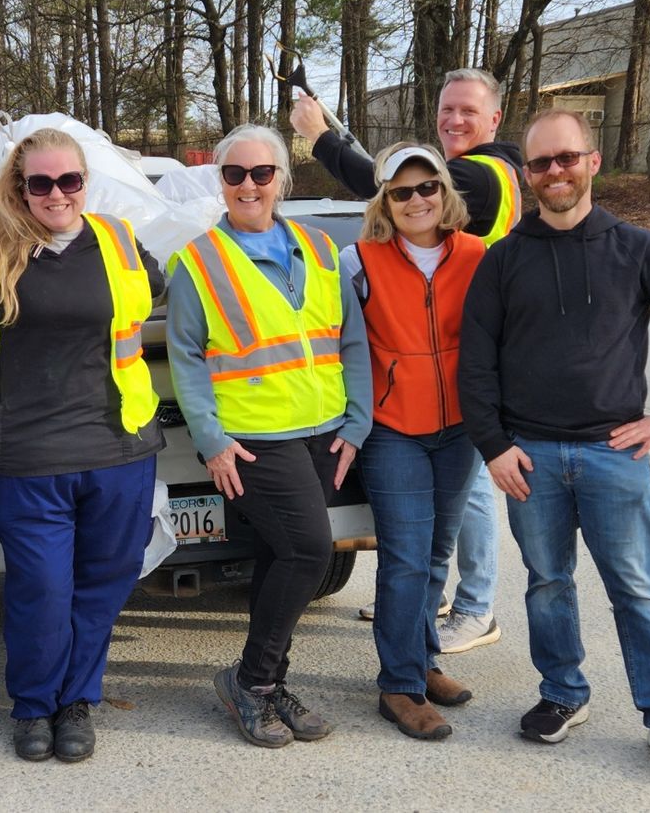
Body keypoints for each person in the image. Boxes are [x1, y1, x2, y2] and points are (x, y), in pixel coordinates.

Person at [459, 109, 650, 780]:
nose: (555, 173)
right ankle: (563, 694)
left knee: (636, 587)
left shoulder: (638, 249)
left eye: (566, 158)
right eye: (542, 164)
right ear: (528, 175)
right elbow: (475, 363)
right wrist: (492, 446)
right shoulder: (504, 261)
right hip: (530, 458)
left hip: (615, 455)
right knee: (547, 585)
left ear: (592, 162)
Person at [292, 67, 519, 653]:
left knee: (452, 521)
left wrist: (320, 137)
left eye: (468, 110)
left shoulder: (487, 175)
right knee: (415, 549)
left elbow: (378, 176)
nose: (454, 120)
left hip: (460, 403)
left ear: (496, 119)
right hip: (410, 411)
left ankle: (472, 608)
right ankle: (421, 630)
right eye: (446, 109)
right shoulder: (364, 258)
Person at [166, 124, 372, 748]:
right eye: (234, 175)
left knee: (280, 555)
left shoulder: (318, 248)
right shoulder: (196, 262)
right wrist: (210, 439)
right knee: (311, 551)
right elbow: (186, 359)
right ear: (220, 183)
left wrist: (357, 421)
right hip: (253, 439)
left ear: (282, 179)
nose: (249, 185)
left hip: (323, 430)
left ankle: (267, 680)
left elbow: (352, 341)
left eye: (261, 173)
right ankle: (252, 682)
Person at [0, 128, 164, 764]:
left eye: (69, 181)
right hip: (27, 454)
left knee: (104, 584)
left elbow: (163, 293)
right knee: (42, 590)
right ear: (19, 187)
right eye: (41, 183)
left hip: (119, 446)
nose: (56, 194)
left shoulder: (119, 241)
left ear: (86, 182)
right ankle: (33, 704)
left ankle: (76, 700)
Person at [342, 143, 485, 740]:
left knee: (434, 555)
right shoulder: (360, 260)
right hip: (394, 428)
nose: (417, 200)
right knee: (403, 558)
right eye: (401, 192)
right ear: (385, 202)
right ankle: (398, 687)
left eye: (427, 187)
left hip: (461, 429)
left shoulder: (479, 255)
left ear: (444, 192)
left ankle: (423, 661)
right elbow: (343, 346)